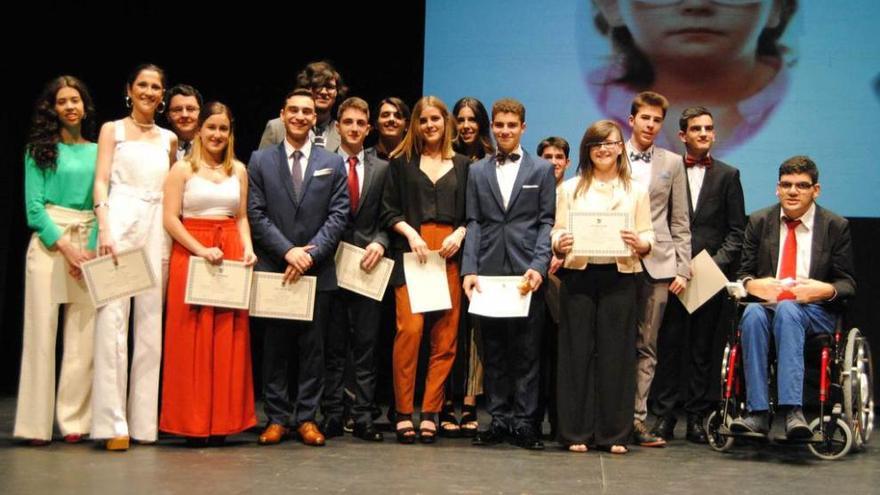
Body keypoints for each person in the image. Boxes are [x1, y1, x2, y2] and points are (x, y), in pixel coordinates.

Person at [248, 88, 349, 447]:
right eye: (294, 110)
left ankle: (307, 418)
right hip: (276, 266)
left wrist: (311, 254)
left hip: (317, 270)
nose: (301, 116)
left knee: (313, 349)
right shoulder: (260, 160)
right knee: (274, 348)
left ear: (315, 117)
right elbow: (255, 214)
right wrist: (288, 251)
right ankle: (275, 417)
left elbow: (339, 215)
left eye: (307, 111)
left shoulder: (332, 162)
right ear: (282, 113)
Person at [730, 156, 855, 439]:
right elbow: (744, 273)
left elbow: (847, 284)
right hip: (770, 309)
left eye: (801, 185)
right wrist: (752, 284)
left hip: (815, 312)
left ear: (816, 190)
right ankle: (758, 412)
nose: (793, 191)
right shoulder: (760, 221)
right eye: (786, 185)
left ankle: (792, 411)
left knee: (788, 310)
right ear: (777, 188)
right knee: (751, 313)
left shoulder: (835, 226)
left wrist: (823, 289)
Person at [552, 120, 653, 454]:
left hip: (620, 276)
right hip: (579, 275)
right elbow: (556, 230)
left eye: (610, 143)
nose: (604, 149)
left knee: (617, 355)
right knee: (576, 354)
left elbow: (648, 235)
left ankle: (614, 433)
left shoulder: (635, 190)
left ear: (621, 147)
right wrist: (559, 242)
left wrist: (640, 242)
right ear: (587, 149)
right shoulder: (570, 188)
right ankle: (576, 432)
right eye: (596, 144)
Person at [159, 101, 258, 445]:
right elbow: (170, 218)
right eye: (211, 127)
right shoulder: (182, 169)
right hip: (193, 252)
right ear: (199, 129)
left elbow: (242, 216)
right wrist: (199, 250)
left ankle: (223, 423)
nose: (217, 134)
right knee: (191, 340)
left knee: (227, 338)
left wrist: (247, 248)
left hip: (228, 252)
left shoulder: (239, 170)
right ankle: (192, 423)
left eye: (224, 128)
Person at [91, 64, 177, 451]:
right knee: (112, 319)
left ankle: (143, 422)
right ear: (130, 89)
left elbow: (174, 190)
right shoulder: (113, 129)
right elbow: (101, 180)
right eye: (142, 84)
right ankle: (113, 424)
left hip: (156, 226)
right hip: (121, 222)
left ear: (163, 95)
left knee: (150, 324)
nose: (148, 91)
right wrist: (105, 227)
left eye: (155, 86)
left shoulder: (170, 139)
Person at [462, 98, 556, 451]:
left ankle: (526, 423)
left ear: (523, 128)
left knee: (528, 353)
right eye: (499, 125)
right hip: (488, 273)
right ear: (493, 128)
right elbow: (474, 221)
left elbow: (547, 221)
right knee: (494, 352)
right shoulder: (477, 171)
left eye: (511, 125)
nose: (504, 131)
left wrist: (538, 266)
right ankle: (499, 419)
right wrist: (469, 269)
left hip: (525, 274)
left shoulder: (541, 170)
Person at [589, 0, 798, 154]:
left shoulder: (804, 106)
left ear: (777, 6)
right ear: (611, 5)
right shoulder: (583, 97)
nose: (697, 4)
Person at [651, 106, 746, 443]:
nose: (704, 134)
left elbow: (737, 231)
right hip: (669, 272)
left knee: (702, 350)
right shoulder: (669, 169)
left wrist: (710, 268)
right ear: (683, 135)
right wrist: (676, 264)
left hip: (709, 276)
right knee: (668, 346)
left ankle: (697, 418)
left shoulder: (728, 175)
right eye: (696, 129)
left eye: (708, 128)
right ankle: (662, 417)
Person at [380, 96, 469, 444]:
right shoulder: (401, 164)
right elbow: (388, 212)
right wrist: (410, 233)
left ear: (446, 122)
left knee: (445, 336)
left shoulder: (463, 165)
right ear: (414, 125)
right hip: (413, 251)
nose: (430, 125)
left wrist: (460, 233)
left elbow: (472, 215)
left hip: (449, 252)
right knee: (410, 330)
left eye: (435, 119)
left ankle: (430, 411)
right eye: (423, 120)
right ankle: (404, 411)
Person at [15, 75, 98, 446]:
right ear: (53, 108)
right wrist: (66, 248)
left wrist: (90, 250)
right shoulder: (38, 151)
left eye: (75, 100)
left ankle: (74, 420)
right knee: (41, 333)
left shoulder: (97, 151)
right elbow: (34, 209)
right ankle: (34, 424)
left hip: (87, 243)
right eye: (62, 101)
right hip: (51, 245)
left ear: (84, 106)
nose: (70, 106)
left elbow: (99, 204)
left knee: (83, 334)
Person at [624, 91, 691, 448]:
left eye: (656, 120)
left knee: (647, 345)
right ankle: (609, 416)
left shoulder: (671, 163)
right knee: (613, 342)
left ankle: (637, 419)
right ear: (631, 119)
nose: (650, 125)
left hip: (658, 264)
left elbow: (680, 220)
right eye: (645, 118)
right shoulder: (610, 152)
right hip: (614, 261)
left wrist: (683, 268)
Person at [321, 97, 389, 442]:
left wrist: (380, 241)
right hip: (330, 266)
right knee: (332, 348)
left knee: (365, 347)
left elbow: (389, 215)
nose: (353, 128)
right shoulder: (325, 164)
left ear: (368, 128)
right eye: (347, 122)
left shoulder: (383, 167)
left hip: (367, 266)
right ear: (338, 126)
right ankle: (332, 414)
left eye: (360, 123)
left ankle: (363, 416)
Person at [439, 96, 495, 438]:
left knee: (476, 331)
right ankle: (445, 401)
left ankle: (471, 402)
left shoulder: (492, 158)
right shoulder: (446, 157)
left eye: (472, 119)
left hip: (483, 252)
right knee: (446, 327)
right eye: (460, 118)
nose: (466, 125)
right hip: (447, 251)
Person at [534, 135, 572, 438]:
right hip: (533, 281)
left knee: (561, 357)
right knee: (534, 354)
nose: (553, 162)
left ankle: (561, 423)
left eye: (559, 157)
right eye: (547, 157)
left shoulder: (575, 193)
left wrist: (562, 256)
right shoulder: (531, 191)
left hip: (565, 284)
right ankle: (530, 421)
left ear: (567, 163)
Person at [258, 61, 348, 152]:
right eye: (317, 86)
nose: (323, 92)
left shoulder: (344, 133)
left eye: (330, 87)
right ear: (306, 88)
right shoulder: (277, 128)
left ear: (337, 92)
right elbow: (260, 164)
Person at [165, 84, 203, 161]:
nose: (184, 115)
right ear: (168, 116)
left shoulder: (213, 148)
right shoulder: (160, 147)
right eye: (178, 110)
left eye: (190, 109)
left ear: (201, 113)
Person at [452, 97, 494, 161]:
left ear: (482, 123)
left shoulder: (492, 161)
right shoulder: (448, 161)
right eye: (461, 120)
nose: (466, 126)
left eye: (472, 120)